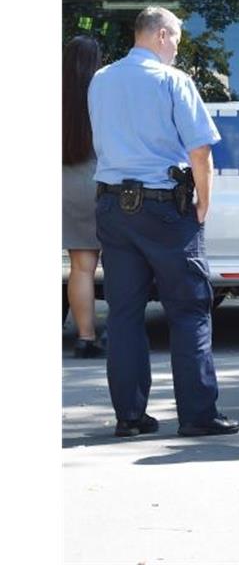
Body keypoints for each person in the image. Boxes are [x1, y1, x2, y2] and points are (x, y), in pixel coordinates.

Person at [88, 6, 239, 437]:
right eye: (175, 38)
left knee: (123, 313)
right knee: (189, 309)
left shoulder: (101, 79)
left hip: (113, 208)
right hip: (163, 207)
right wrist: (204, 203)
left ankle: (130, 416)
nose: (176, 47)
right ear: (159, 36)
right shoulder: (174, 81)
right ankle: (198, 414)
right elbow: (199, 151)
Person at [63, 34, 106, 358]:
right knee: (119, 264)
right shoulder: (102, 94)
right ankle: (114, 334)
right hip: (98, 180)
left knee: (80, 267)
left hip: (63, 183)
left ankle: (85, 337)